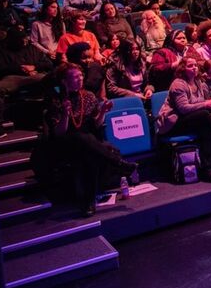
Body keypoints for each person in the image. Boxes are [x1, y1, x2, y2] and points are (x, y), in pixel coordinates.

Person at [33, 63, 136, 216]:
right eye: (75, 77)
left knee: (88, 151)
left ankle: (89, 202)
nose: (80, 79)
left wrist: (102, 112)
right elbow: (59, 133)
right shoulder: (56, 99)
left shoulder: (88, 96)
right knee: (80, 137)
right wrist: (66, 115)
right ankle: (117, 162)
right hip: (63, 144)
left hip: (87, 144)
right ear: (64, 80)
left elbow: (96, 124)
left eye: (81, 76)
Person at [0, 26, 54, 126]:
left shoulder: (32, 48)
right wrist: (21, 69)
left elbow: (48, 64)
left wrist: (34, 66)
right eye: (21, 38)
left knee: (52, 81)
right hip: (13, 77)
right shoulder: (3, 50)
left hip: (35, 76)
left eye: (24, 37)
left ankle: (52, 115)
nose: (25, 40)